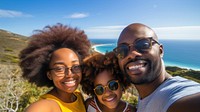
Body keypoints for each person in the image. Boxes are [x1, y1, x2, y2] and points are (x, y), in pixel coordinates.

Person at [113, 23, 200, 112]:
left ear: (160, 51)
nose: (132, 54)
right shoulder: (146, 97)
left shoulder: (176, 95)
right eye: (122, 50)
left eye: (143, 44)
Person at [19, 23, 91, 112]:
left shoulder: (77, 95)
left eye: (75, 66)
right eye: (60, 68)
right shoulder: (47, 105)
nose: (69, 74)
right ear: (49, 75)